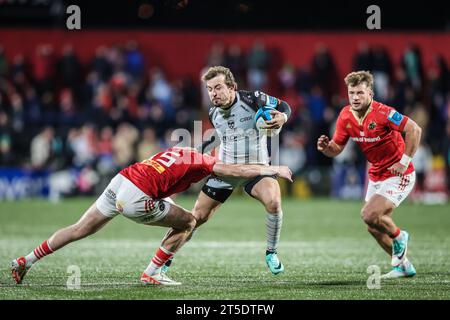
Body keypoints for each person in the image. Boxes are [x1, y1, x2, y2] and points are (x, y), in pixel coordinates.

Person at [11, 147, 292, 286]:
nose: (224, 165)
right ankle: (153, 273)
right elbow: (236, 172)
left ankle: (26, 260)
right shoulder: (206, 161)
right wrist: (272, 169)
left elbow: (163, 176)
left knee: (78, 228)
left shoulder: (182, 152)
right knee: (189, 221)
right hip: (137, 196)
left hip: (122, 180)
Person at [163, 66, 292, 275]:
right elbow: (219, 137)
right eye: (210, 89)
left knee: (274, 202)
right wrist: (196, 152)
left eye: (218, 88)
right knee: (195, 218)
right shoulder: (214, 113)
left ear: (232, 87)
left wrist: (282, 118)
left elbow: (284, 106)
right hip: (227, 171)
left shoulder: (252, 99)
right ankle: (164, 259)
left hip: (256, 169)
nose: (214, 94)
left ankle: (271, 252)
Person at [317, 71, 422, 279]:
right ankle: (404, 266)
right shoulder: (346, 115)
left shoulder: (384, 113)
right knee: (373, 227)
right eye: (351, 93)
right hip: (376, 174)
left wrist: (404, 162)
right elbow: (337, 147)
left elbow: (415, 130)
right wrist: (326, 148)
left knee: (369, 214)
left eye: (360, 93)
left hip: (399, 174)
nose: (355, 97)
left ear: (370, 94)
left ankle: (400, 236)